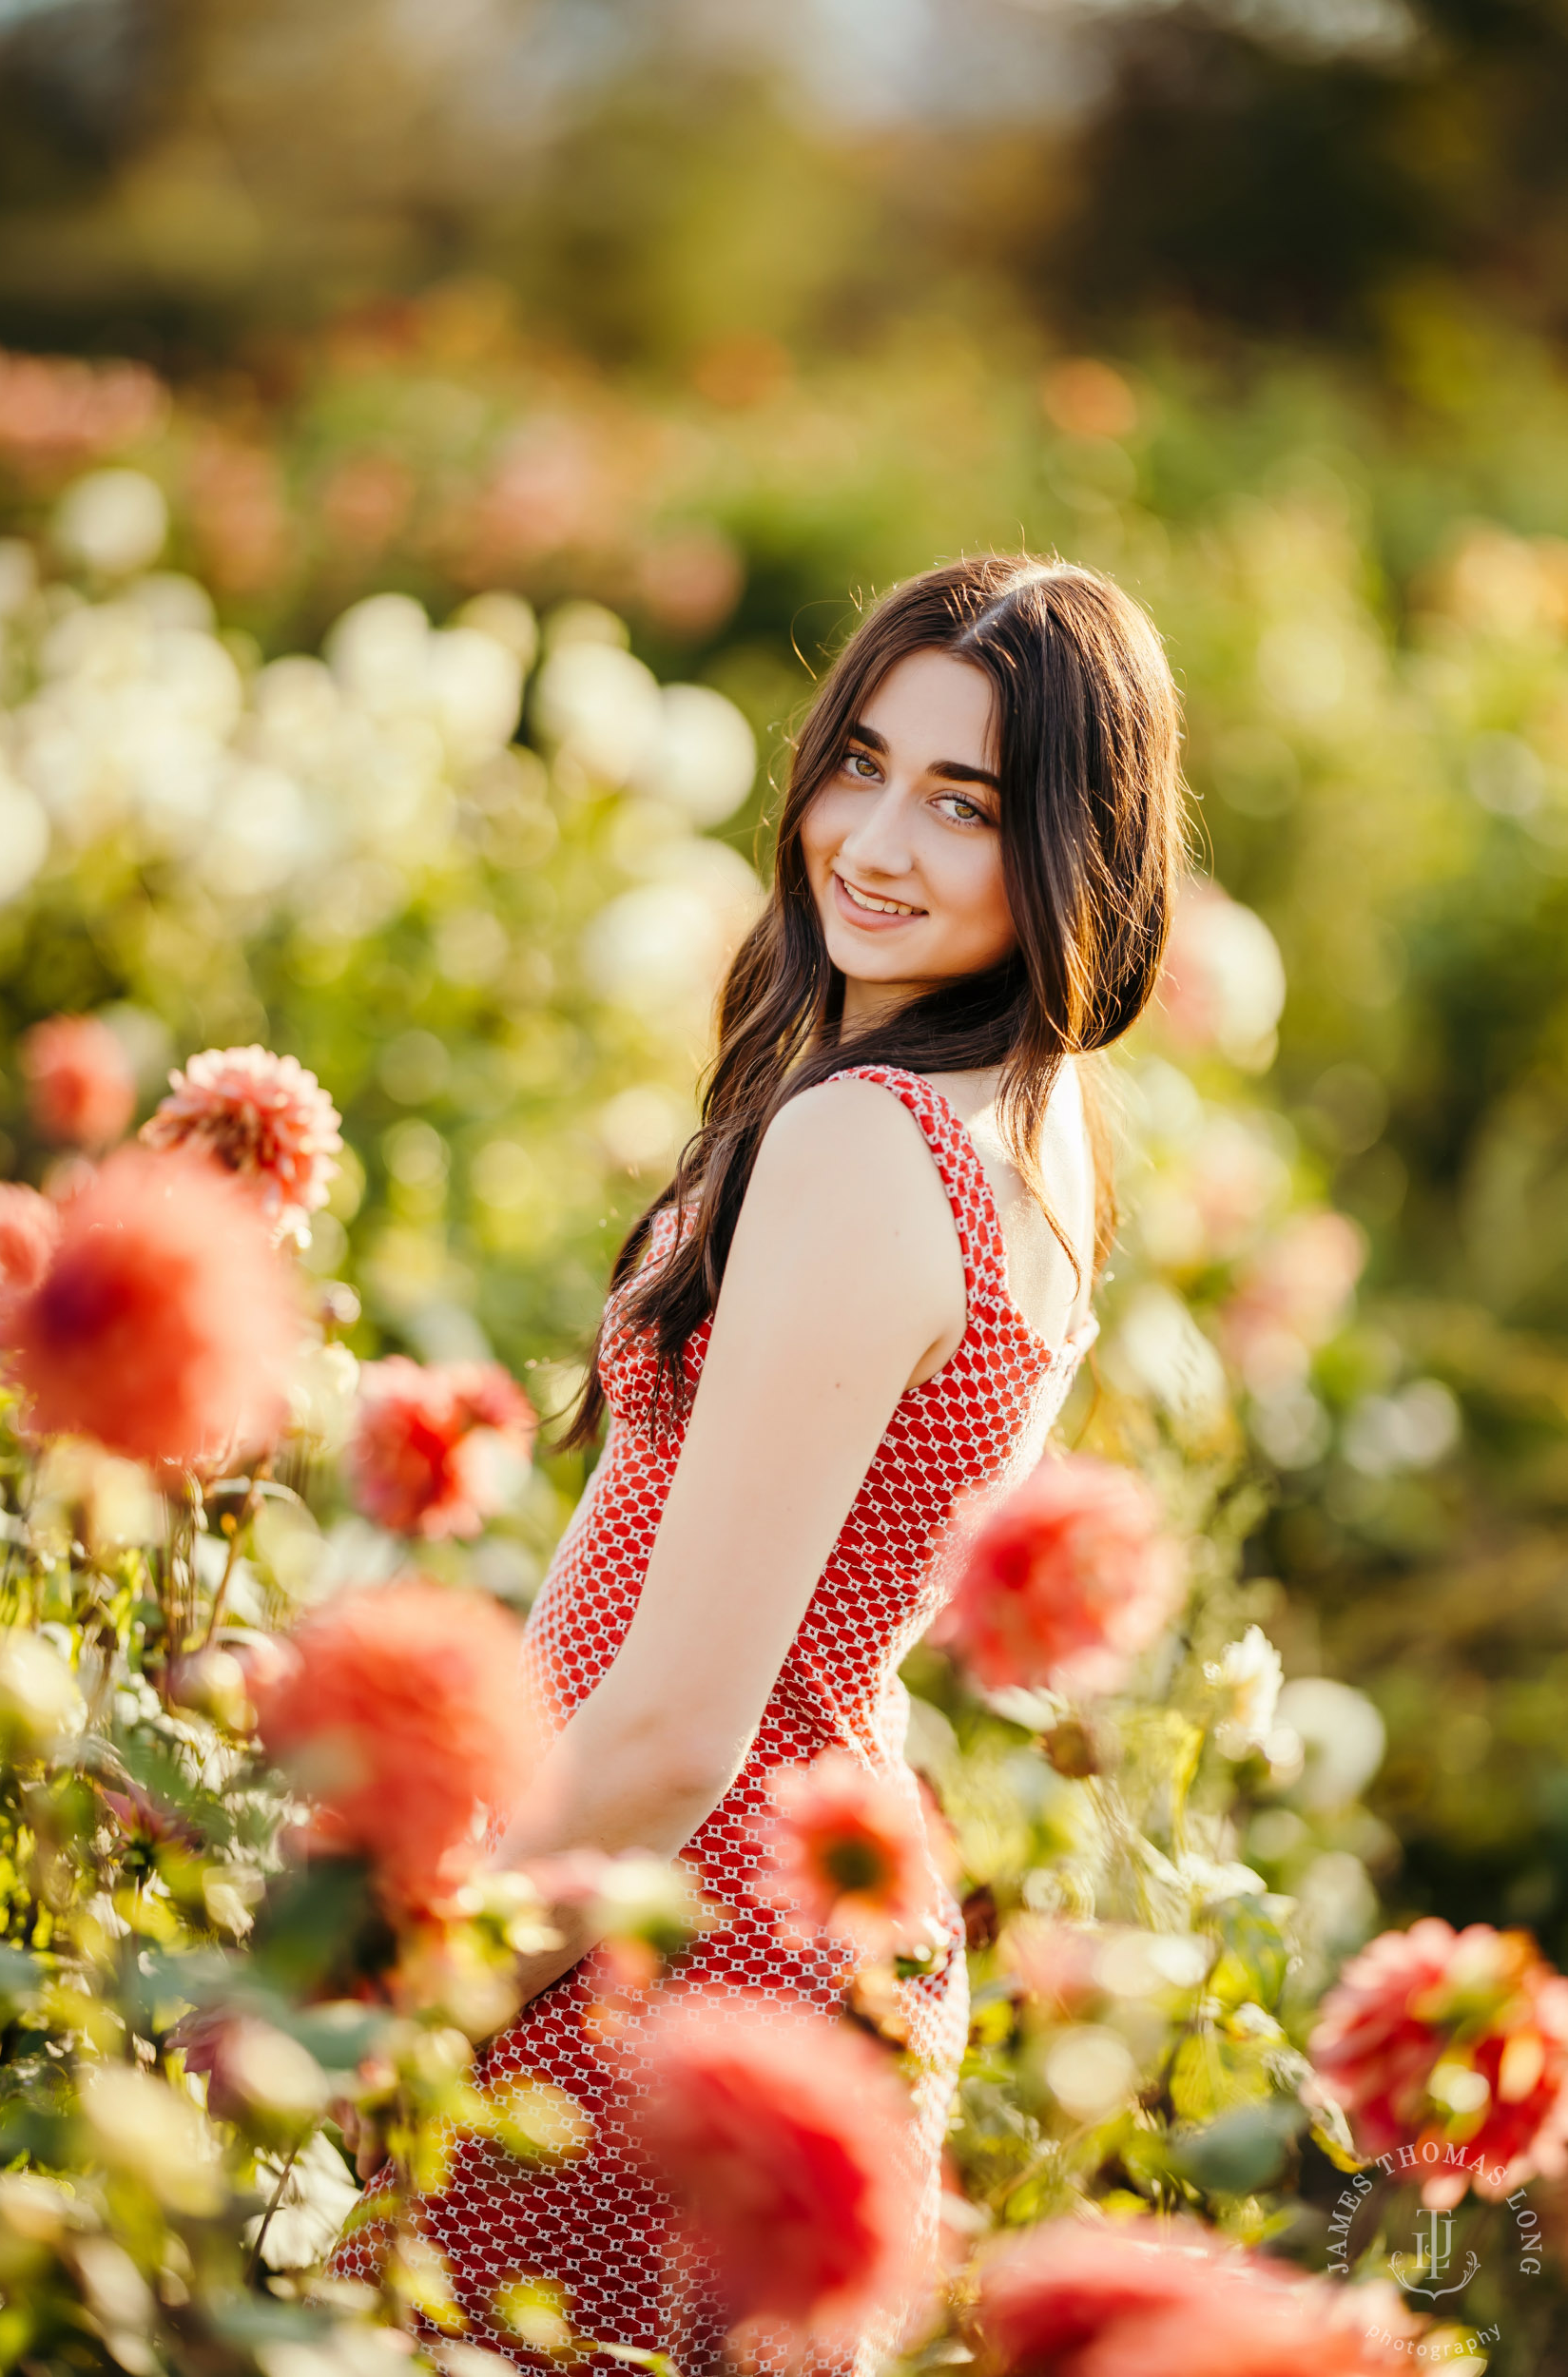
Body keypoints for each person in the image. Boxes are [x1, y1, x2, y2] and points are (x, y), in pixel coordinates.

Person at [329, 554, 1185, 2367]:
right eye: (858, 763)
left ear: (1073, 848)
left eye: (964, 803)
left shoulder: (873, 1148)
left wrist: (417, 2013)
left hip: (651, 1944)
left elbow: (680, 1723)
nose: (874, 840)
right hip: (793, 1903)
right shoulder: (1032, 1126)